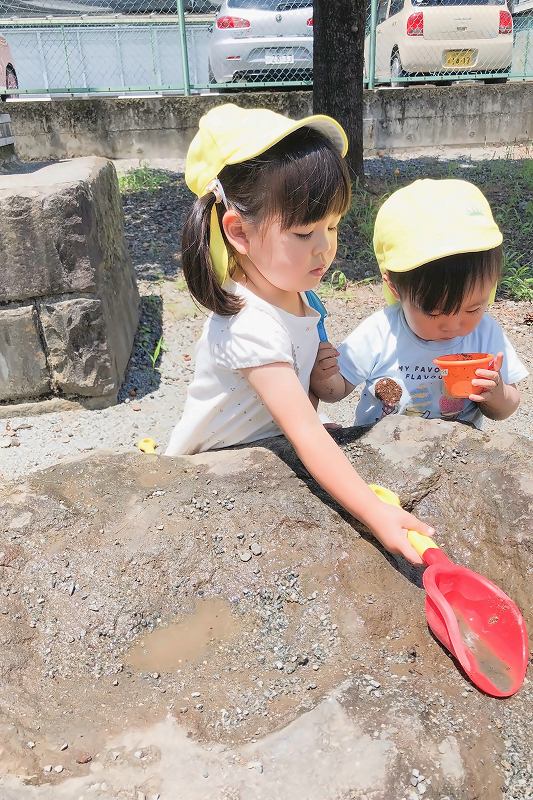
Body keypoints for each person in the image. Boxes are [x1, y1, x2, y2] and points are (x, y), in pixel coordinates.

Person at [165, 103, 433, 565]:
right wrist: (376, 513)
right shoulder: (249, 323)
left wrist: (311, 395)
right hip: (211, 469)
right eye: (305, 232)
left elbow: (300, 409)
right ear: (239, 232)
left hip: (263, 445)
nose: (325, 248)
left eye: (332, 226)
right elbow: (306, 433)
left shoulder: (293, 291)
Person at [311, 179, 528, 428]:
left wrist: (496, 395)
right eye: (434, 313)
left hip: (457, 448)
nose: (453, 325)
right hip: (384, 446)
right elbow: (336, 391)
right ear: (394, 287)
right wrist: (324, 376)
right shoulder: (381, 331)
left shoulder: (485, 334)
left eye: (473, 309)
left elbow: (506, 408)